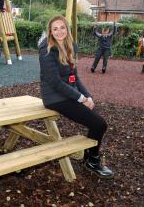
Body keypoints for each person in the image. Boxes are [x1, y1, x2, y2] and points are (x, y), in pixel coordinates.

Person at [38, 15, 114, 179]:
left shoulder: (71, 46)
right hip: (54, 97)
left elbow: (74, 77)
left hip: (68, 93)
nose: (59, 32)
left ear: (67, 29)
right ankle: (92, 161)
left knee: (97, 122)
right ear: (50, 32)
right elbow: (55, 83)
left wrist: (88, 95)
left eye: (62, 27)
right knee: (99, 124)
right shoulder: (46, 49)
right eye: (55, 28)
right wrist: (81, 98)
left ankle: (90, 158)